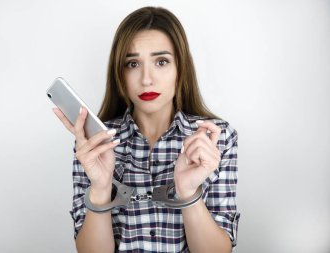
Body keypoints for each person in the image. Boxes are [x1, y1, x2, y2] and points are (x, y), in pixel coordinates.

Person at [53, 6, 240, 253]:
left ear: (180, 69)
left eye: (161, 61)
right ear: (119, 74)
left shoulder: (216, 138)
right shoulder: (94, 143)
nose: (146, 79)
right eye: (132, 64)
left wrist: (188, 192)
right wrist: (100, 188)